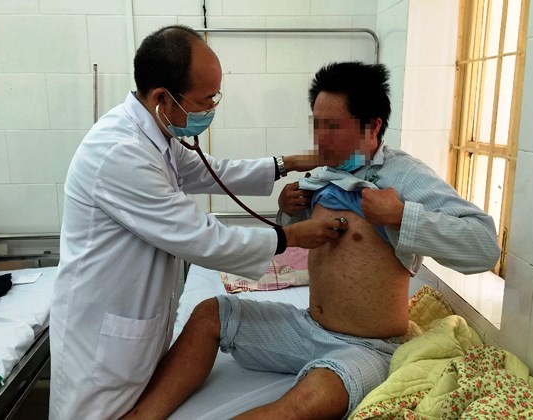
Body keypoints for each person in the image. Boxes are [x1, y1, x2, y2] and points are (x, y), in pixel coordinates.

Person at [122, 62, 501, 419]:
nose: (320, 138)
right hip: (307, 328)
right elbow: (306, 239)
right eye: (317, 124)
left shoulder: (403, 176)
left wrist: (402, 216)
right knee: (210, 313)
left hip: (367, 347)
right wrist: (287, 210)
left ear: (372, 127)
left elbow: (484, 246)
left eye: (333, 126)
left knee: (311, 399)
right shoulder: (324, 175)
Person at [48, 25, 348, 419]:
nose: (211, 109)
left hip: (137, 329)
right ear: (161, 98)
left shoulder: (159, 134)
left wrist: (287, 163)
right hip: (102, 347)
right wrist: (290, 236)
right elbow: (202, 239)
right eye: (206, 99)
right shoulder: (119, 152)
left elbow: (214, 172)